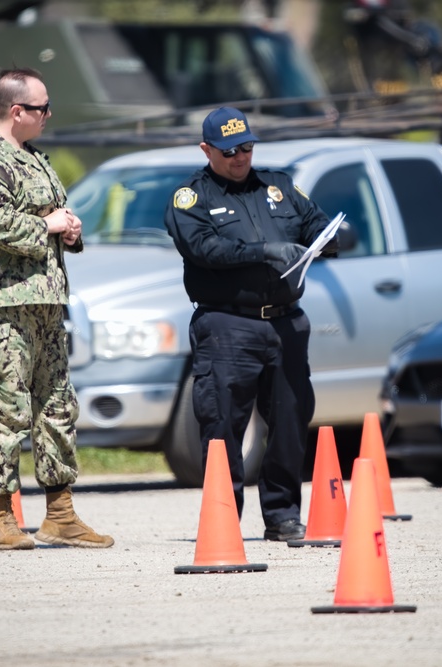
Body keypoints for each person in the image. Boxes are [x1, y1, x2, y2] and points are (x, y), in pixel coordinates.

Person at [0, 67, 113, 550]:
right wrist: (46, 226)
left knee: (57, 405)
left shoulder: (34, 159)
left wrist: (69, 229)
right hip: (0, 307)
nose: (50, 115)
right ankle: (0, 519)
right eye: (43, 107)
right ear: (16, 111)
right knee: (7, 407)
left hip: (43, 302)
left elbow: (49, 218)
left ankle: (60, 514)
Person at [163, 107, 338, 541]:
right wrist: (264, 252)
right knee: (222, 426)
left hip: (285, 323)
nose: (241, 157)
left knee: (291, 421)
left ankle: (282, 516)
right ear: (207, 150)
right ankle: (223, 520)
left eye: (246, 147)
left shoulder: (278, 186)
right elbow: (202, 248)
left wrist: (331, 238)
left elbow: (314, 221)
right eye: (229, 151)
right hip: (227, 326)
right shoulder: (192, 197)